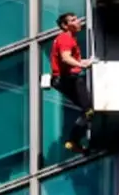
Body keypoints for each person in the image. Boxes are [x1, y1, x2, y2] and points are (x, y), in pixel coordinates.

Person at [49, 12, 94, 153]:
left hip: (63, 79)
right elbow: (65, 58)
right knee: (89, 110)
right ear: (65, 25)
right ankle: (73, 140)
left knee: (87, 109)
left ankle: (74, 140)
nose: (78, 21)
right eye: (73, 20)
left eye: (77, 19)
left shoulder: (67, 39)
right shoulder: (65, 38)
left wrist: (84, 62)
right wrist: (82, 66)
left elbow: (69, 60)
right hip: (68, 79)